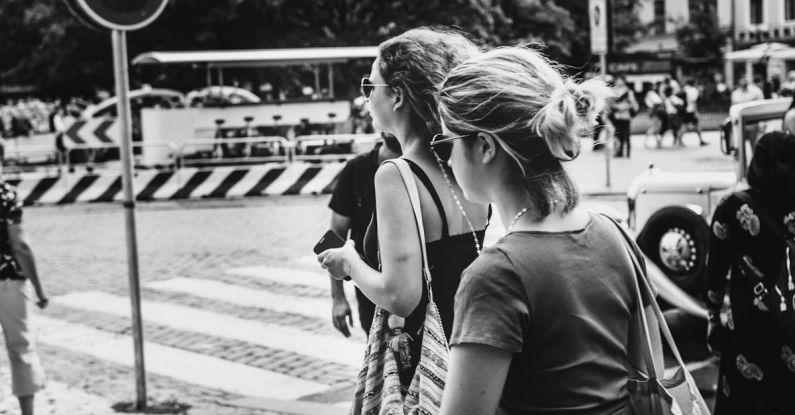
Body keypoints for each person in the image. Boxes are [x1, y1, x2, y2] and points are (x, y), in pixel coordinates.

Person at [436, 46, 659, 414]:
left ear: (486, 146)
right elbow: (649, 373)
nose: (446, 157)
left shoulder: (495, 276)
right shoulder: (612, 234)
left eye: (447, 142)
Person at [317, 27, 489, 387]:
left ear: (396, 95)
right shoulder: (465, 163)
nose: (366, 97)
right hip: (474, 344)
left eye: (371, 86)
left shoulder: (397, 173)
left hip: (424, 357)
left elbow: (401, 296)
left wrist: (348, 260)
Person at [705, 131, 795, 415]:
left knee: (745, 402)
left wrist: (713, 318)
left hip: (749, 328)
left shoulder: (731, 206)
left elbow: (715, 272)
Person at [327, 133, 401, 337]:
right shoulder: (356, 169)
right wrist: (338, 297)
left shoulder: (425, 165)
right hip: (369, 290)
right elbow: (336, 235)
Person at [0, 181, 48, 415]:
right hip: (8, 281)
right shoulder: (5, 194)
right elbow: (19, 246)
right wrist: (39, 288)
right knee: (21, 350)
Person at [609, 75, 637, 158]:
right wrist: (616, 107)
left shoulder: (628, 91)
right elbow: (610, 103)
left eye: (620, 80)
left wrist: (623, 107)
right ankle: (618, 152)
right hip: (617, 116)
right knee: (617, 135)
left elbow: (632, 103)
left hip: (626, 116)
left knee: (626, 135)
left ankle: (628, 152)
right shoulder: (613, 91)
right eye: (617, 80)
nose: (619, 82)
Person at [682, 79, 707, 146]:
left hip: (685, 110)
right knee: (696, 125)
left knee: (685, 125)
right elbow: (694, 101)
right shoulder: (693, 90)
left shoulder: (685, 89)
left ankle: (678, 140)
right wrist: (696, 112)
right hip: (691, 110)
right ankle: (701, 140)